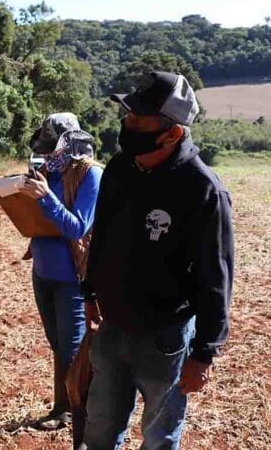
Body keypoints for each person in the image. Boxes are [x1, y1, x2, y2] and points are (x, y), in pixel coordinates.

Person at [80, 71, 234, 449]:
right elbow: (101, 236)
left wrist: (205, 354)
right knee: (99, 429)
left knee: (159, 438)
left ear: (173, 132)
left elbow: (216, 277)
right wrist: (90, 290)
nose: (127, 124)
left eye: (138, 119)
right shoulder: (118, 170)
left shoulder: (201, 190)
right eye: (128, 114)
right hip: (114, 327)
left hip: (165, 338)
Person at [20, 113, 102, 437]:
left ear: (70, 144)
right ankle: (62, 408)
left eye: (53, 148)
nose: (48, 154)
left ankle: (84, 417)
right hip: (42, 272)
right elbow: (36, 218)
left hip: (71, 277)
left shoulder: (89, 175)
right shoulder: (48, 170)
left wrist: (45, 196)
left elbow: (77, 226)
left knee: (73, 349)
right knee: (58, 345)